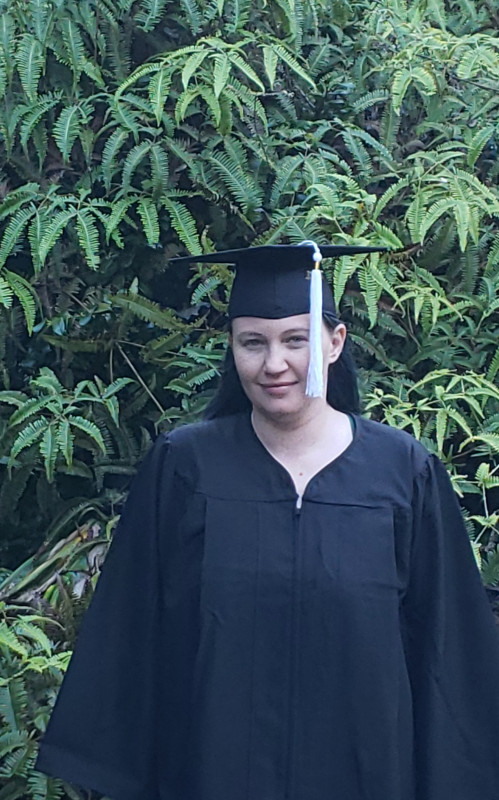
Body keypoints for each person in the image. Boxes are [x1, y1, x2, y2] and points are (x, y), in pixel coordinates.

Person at [36, 242, 499, 800]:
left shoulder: (403, 474)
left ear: (335, 343)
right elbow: (131, 635)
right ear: (231, 347)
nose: (273, 363)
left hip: (368, 774)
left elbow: (446, 651)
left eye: (295, 340)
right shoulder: (186, 469)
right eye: (252, 342)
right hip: (210, 774)